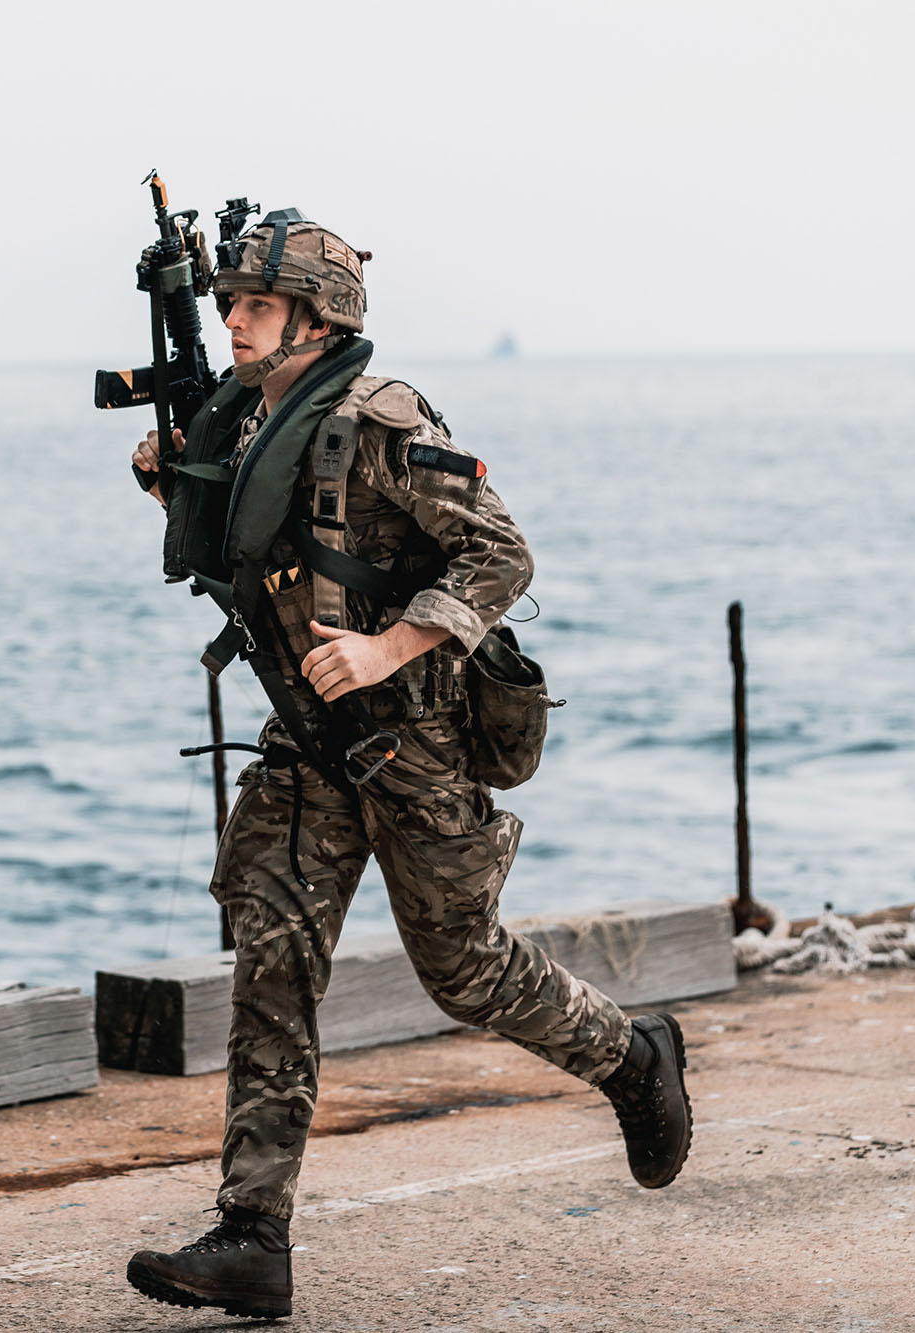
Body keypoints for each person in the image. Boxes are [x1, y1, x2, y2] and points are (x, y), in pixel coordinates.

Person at [122, 209, 693, 1320]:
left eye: (257, 305)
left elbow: (501, 552)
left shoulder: (378, 419)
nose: (234, 322)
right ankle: (252, 1234)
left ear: (318, 318)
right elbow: (254, 550)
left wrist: (387, 647)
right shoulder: (248, 419)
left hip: (410, 739)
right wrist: (167, 481)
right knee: (272, 959)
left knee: (463, 969)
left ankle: (632, 1058)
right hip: (305, 737)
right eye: (230, 303)